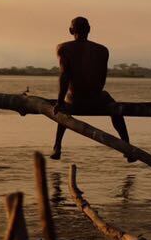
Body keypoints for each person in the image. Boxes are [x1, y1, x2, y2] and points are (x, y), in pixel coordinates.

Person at [51, 16, 131, 160]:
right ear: (89, 30)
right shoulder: (102, 50)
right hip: (96, 99)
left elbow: (65, 76)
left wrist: (59, 101)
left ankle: (57, 146)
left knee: (63, 107)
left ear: (70, 31)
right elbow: (102, 79)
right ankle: (126, 145)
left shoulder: (64, 48)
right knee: (114, 107)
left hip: (76, 100)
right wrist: (94, 93)